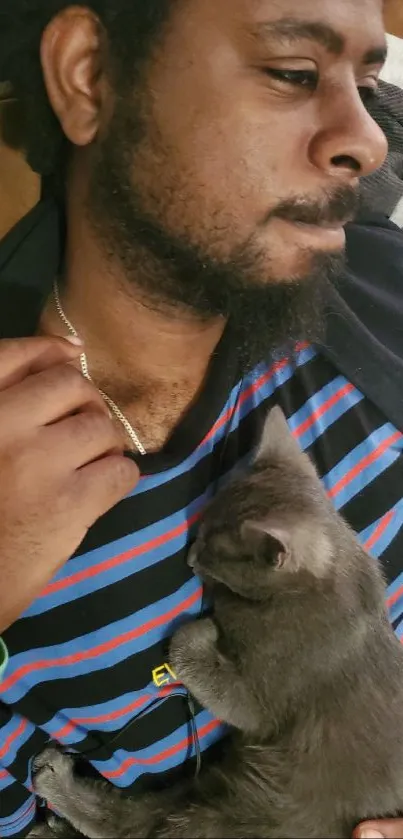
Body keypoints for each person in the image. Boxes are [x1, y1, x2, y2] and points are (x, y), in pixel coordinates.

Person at [0, 1, 402, 836]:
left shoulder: (386, 293)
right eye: (294, 73)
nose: (368, 140)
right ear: (89, 76)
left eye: (366, 83)